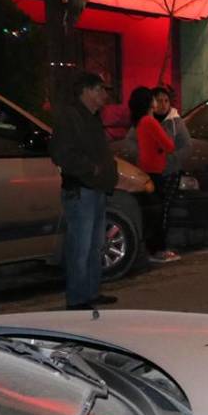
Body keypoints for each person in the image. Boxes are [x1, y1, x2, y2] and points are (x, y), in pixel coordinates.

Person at [50, 71, 119, 310]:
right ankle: (77, 298)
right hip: (81, 189)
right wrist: (92, 169)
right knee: (80, 246)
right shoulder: (71, 117)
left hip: (95, 188)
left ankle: (90, 291)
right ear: (86, 91)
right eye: (100, 89)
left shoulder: (90, 117)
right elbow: (61, 154)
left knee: (95, 245)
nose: (104, 95)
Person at [130, 87, 180, 263]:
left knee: (152, 212)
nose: (157, 102)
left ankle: (152, 248)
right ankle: (158, 250)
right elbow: (170, 145)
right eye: (154, 99)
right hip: (155, 171)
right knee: (158, 213)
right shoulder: (150, 122)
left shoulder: (140, 122)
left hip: (146, 168)